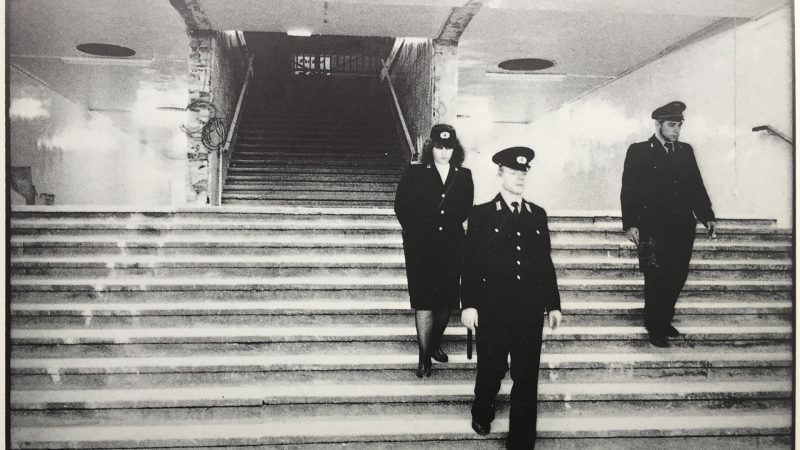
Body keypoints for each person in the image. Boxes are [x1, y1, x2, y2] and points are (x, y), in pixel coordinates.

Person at [461, 146, 562, 449]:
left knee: (526, 376)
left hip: (529, 311)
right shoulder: (481, 214)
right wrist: (469, 304)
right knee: (491, 367)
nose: (520, 177)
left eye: (523, 172)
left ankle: (521, 442)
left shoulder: (537, 214)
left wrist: (553, 304)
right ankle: (482, 408)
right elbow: (470, 263)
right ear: (500, 174)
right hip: (492, 309)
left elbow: (545, 262)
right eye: (513, 172)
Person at [620, 101, 717, 348]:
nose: (676, 130)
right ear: (658, 125)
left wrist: (707, 216)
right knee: (655, 277)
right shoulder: (639, 150)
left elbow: (696, 185)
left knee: (678, 275)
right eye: (671, 125)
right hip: (651, 228)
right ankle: (654, 326)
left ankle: (664, 320)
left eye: (679, 125)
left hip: (682, 226)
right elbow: (629, 189)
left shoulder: (685, 150)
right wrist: (630, 223)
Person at [394, 124, 474, 378]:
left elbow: (464, 208)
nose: (443, 152)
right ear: (431, 148)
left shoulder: (463, 174)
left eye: (448, 147)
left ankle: (435, 341)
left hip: (451, 245)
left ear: (455, 149)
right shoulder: (415, 172)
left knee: (446, 302)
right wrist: (415, 233)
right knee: (424, 300)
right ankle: (424, 355)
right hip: (421, 247)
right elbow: (401, 206)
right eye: (439, 147)